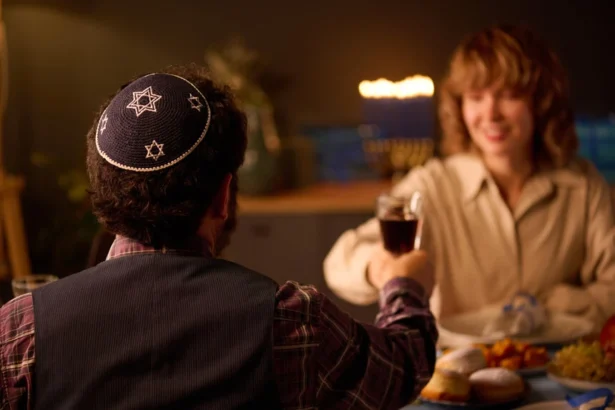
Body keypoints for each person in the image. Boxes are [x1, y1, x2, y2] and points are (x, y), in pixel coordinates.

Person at [0, 64, 437, 409]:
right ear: (223, 196)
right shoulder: (290, 323)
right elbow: (402, 367)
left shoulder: (20, 331)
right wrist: (405, 286)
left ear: (103, 190)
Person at [324, 24, 615, 332]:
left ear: (541, 102)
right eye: (476, 97)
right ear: (459, 106)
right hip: (458, 371)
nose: (490, 114)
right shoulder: (432, 185)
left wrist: (554, 306)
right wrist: (382, 268)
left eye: (508, 95)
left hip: (557, 372)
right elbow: (340, 263)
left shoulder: (582, 186)